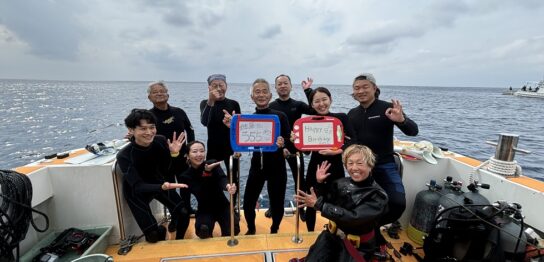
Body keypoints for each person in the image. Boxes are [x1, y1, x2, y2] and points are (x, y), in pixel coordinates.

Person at [347, 73, 418, 240]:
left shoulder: (387, 108)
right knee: (358, 205)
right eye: (357, 88)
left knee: (398, 203)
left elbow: (413, 131)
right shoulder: (352, 114)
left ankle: (373, 227)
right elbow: (351, 141)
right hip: (361, 168)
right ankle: (368, 232)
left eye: (365, 87)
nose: (361, 91)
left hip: (385, 165)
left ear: (375, 89)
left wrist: (401, 120)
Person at [294, 144, 388, 261]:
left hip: (357, 247)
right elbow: (327, 200)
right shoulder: (340, 183)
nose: (354, 168)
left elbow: (354, 218)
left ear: (370, 165)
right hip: (331, 237)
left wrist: (319, 205)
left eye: (360, 163)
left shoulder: (377, 196)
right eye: (350, 163)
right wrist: (319, 183)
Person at [225, 78, 292, 235]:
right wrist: (232, 126)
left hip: (277, 167)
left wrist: (284, 142)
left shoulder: (280, 116)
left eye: (264, 91)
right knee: (248, 203)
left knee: (277, 204)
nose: (261, 95)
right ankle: (251, 229)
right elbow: (238, 141)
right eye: (257, 92)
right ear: (252, 97)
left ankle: (274, 229)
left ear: (270, 95)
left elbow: (289, 139)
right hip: (257, 167)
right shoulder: (247, 120)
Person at [116, 109, 190, 243]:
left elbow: (168, 168)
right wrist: (162, 186)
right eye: (143, 129)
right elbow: (137, 186)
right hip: (137, 192)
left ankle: (179, 243)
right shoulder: (125, 155)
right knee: (154, 235)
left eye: (152, 127)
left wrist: (174, 154)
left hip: (159, 183)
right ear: (131, 130)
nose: (149, 132)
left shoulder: (160, 141)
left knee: (184, 213)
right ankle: (161, 233)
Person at [301, 85, 357, 232]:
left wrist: (337, 151)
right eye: (317, 101)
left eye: (324, 99)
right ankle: (310, 234)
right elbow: (306, 152)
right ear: (312, 105)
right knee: (311, 203)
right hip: (315, 167)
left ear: (330, 100)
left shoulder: (341, 118)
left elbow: (354, 141)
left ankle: (335, 233)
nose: (321, 104)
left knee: (337, 203)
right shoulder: (310, 122)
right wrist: (298, 141)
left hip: (336, 167)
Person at [148, 81, 194, 223]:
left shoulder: (179, 112)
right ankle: (175, 216)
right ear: (149, 97)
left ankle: (188, 209)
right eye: (155, 92)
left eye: (162, 91)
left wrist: (189, 151)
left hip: (181, 158)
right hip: (162, 161)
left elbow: (190, 131)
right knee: (169, 190)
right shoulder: (148, 116)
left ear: (168, 94)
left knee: (185, 186)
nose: (159, 93)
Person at [268, 74, 313, 221]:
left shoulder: (298, 105)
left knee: (299, 179)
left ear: (291, 86)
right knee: (275, 180)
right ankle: (272, 207)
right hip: (277, 147)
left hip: (295, 146)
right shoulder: (271, 106)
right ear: (275, 88)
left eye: (285, 83)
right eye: (279, 84)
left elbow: (315, 110)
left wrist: (308, 91)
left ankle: (301, 209)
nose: (282, 86)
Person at [179, 141, 240, 238]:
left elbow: (222, 178)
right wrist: (206, 173)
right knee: (203, 231)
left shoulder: (212, 163)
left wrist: (228, 186)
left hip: (222, 205)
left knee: (233, 230)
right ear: (187, 155)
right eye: (195, 152)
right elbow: (198, 192)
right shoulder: (185, 176)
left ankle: (233, 214)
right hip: (205, 209)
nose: (199, 154)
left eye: (202, 151)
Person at [199, 74, 242, 202]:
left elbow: (240, 128)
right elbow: (204, 122)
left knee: (234, 179)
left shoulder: (234, 103)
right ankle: (216, 205)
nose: (218, 88)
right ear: (209, 88)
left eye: (221, 85)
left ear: (226, 86)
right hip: (214, 148)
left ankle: (233, 206)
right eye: (215, 86)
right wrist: (211, 101)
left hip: (231, 147)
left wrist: (232, 123)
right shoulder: (205, 104)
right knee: (212, 178)